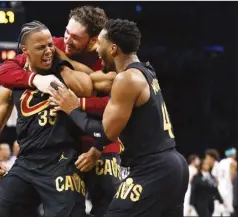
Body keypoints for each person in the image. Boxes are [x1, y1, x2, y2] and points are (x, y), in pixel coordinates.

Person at [49, 19, 189, 217]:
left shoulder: (126, 79)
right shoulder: (146, 71)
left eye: (101, 44)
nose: (97, 50)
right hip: (174, 165)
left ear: (113, 48)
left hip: (153, 169)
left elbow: (106, 130)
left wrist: (73, 108)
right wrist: (96, 150)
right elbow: (94, 84)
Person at [0, 6, 122, 216]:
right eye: (66, 33)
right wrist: (35, 79)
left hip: (100, 136)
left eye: (75, 38)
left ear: (93, 41)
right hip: (61, 145)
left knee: (109, 198)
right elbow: (3, 71)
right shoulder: (53, 45)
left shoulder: (108, 57)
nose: (66, 41)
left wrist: (77, 100)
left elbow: (117, 106)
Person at [217, 147, 237, 216]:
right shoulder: (233, 162)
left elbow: (216, 177)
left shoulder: (221, 162)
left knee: (220, 211)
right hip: (228, 190)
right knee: (229, 211)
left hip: (220, 189)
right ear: (233, 154)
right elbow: (232, 178)